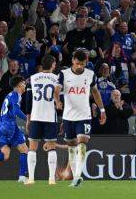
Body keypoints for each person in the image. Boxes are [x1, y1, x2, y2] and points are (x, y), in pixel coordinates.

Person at [54, 50, 106, 187]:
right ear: (72, 61)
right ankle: (74, 176)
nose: (79, 67)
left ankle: (78, 176)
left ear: (85, 63)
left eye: (82, 64)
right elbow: (56, 90)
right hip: (68, 117)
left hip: (84, 116)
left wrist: (102, 110)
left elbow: (95, 92)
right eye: (77, 64)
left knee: (82, 144)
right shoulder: (64, 74)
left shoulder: (90, 74)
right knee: (71, 146)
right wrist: (57, 101)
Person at [25, 55, 59, 185]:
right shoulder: (57, 79)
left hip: (36, 116)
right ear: (53, 64)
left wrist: (28, 119)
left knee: (32, 148)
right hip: (50, 116)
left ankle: (31, 178)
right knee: (51, 147)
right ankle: (51, 179)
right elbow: (60, 101)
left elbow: (28, 101)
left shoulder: (32, 79)